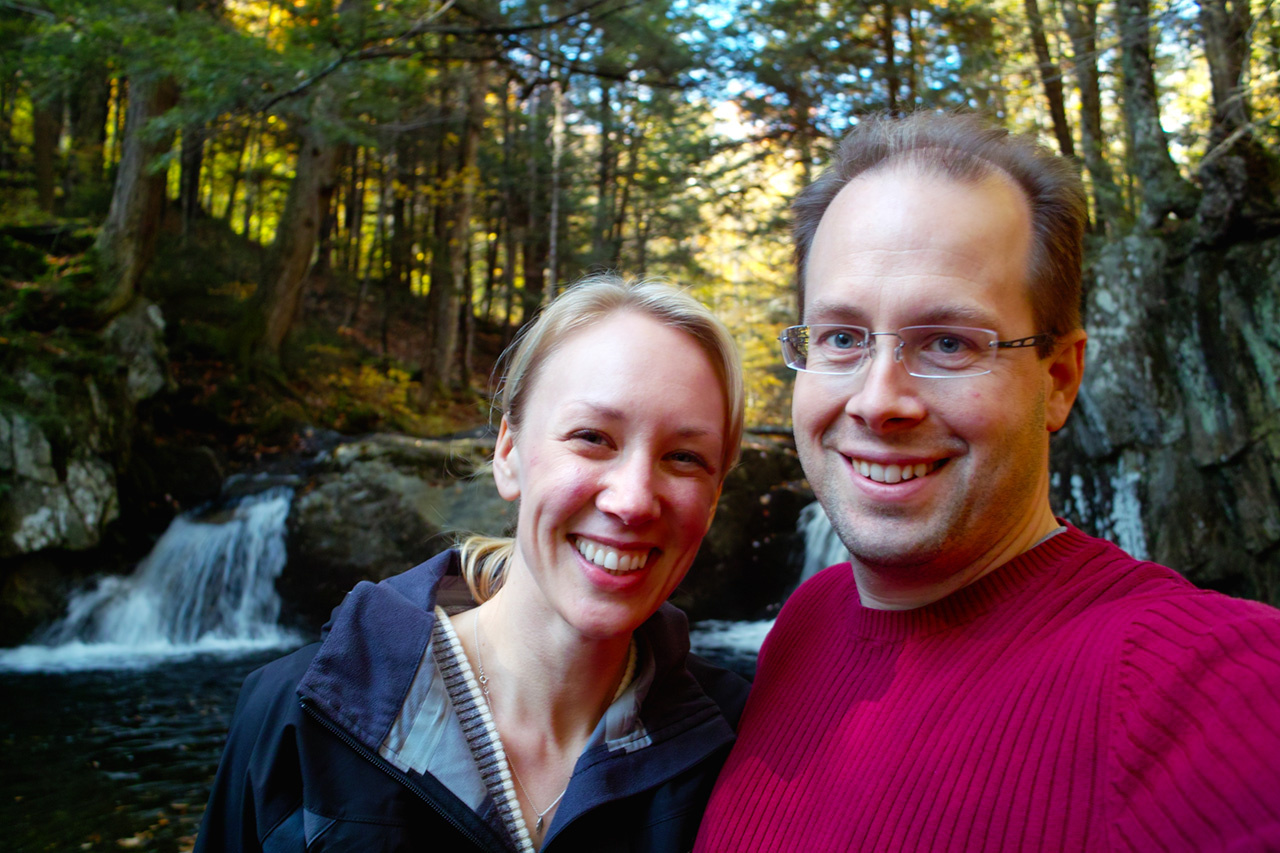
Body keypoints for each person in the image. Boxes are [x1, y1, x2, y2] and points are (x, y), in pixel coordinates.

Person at [695, 112, 1280, 851]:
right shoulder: (807, 622)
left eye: (947, 342)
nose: (878, 400)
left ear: (1059, 378)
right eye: (842, 337)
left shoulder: (1207, 686)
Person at [196, 273, 750, 852]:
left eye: (684, 457)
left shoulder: (745, 746)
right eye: (592, 437)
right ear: (508, 453)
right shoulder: (296, 719)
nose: (633, 499)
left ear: (713, 499)